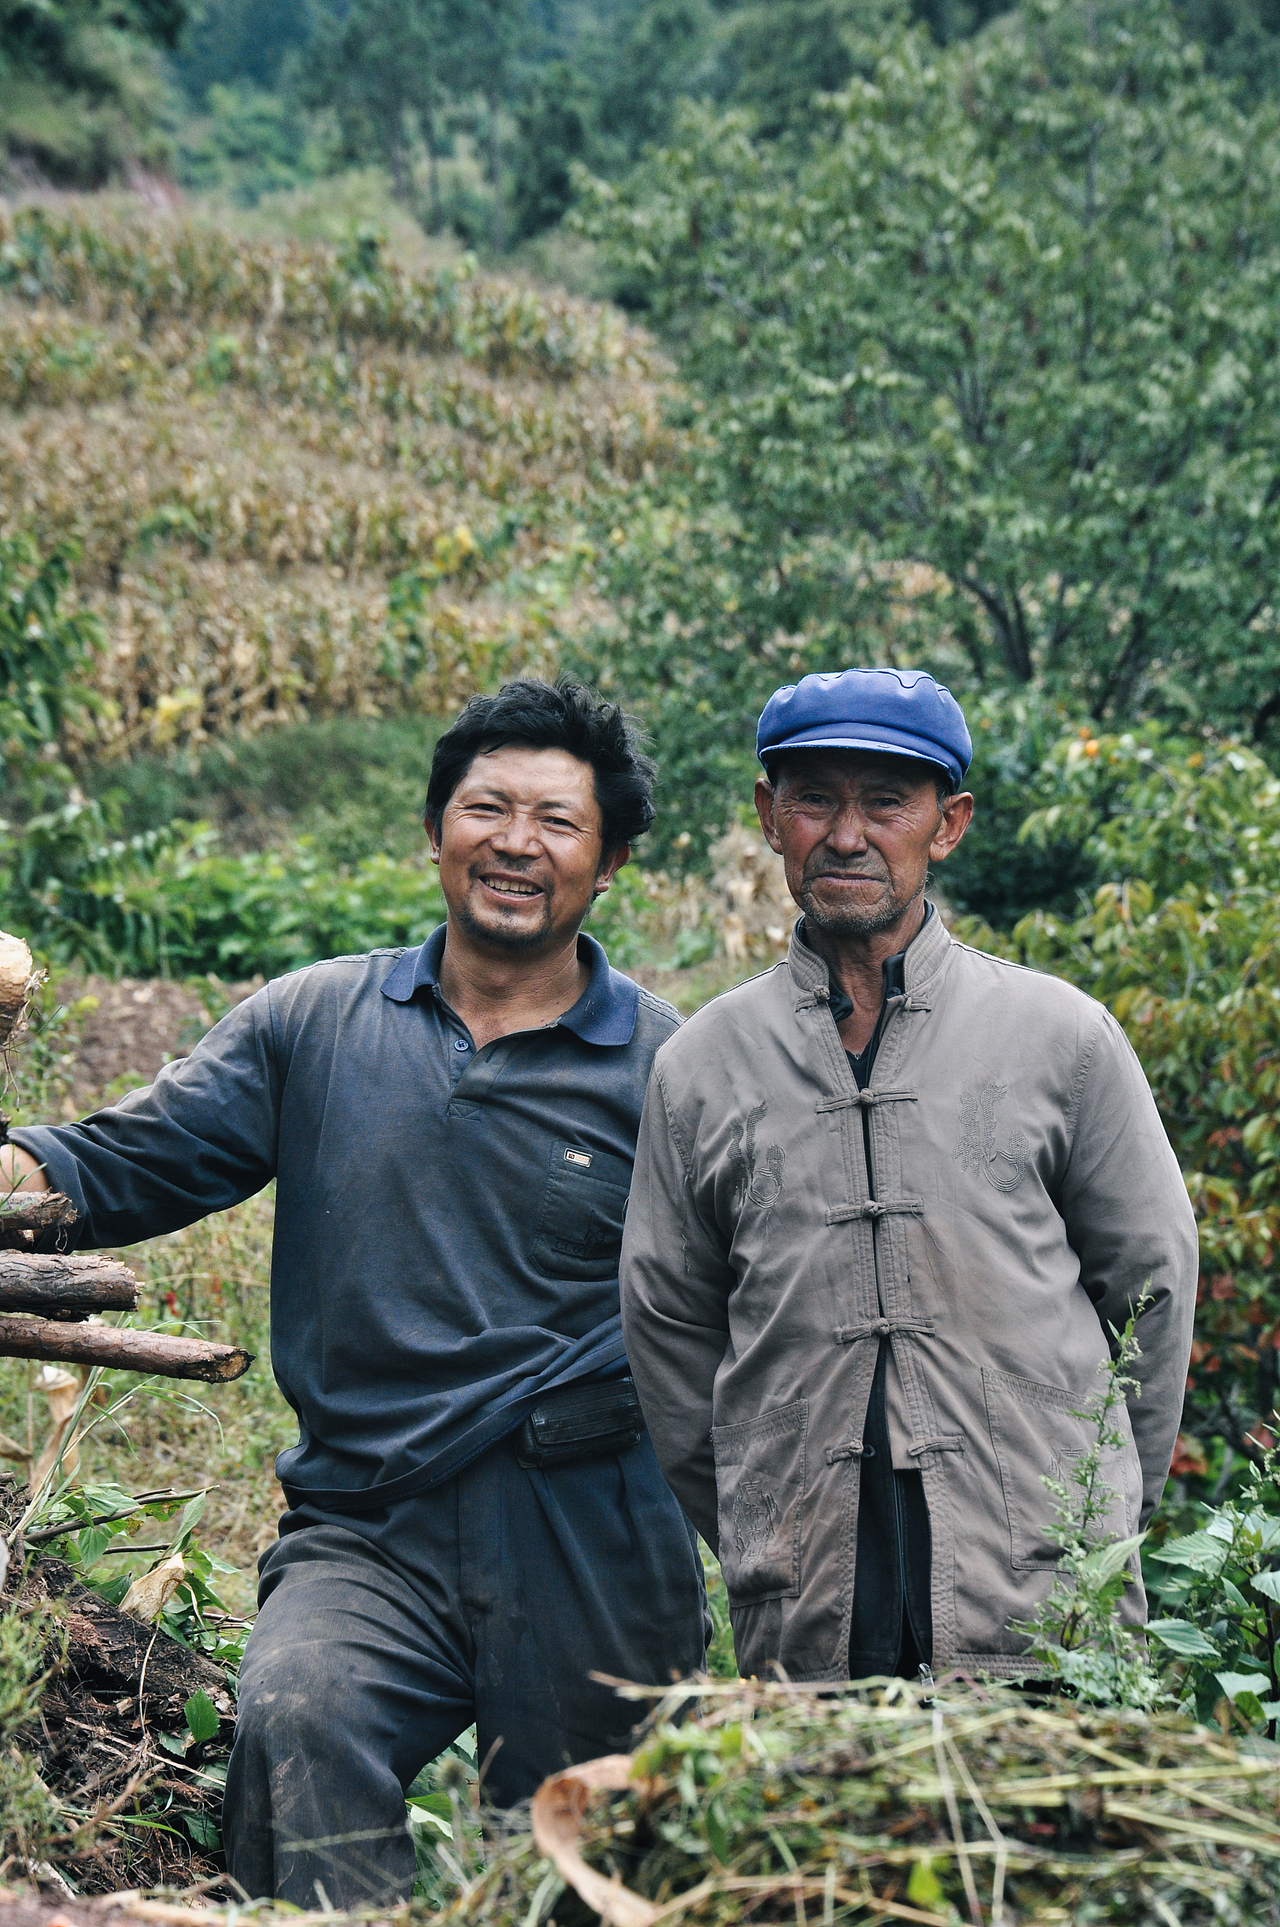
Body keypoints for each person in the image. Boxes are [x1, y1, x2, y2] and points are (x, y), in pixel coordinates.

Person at [2, 679, 706, 1907]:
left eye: (555, 821)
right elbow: (113, 1163)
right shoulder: (316, 1023)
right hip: (370, 1515)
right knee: (298, 1719)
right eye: (485, 808)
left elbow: (760, 1304)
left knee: (590, 1869)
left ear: (608, 865)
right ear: (433, 831)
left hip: (594, 1524)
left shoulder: (674, 1068)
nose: (514, 842)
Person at [619, 667, 1197, 1686]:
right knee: (832, 1793)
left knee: (1053, 1790)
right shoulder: (701, 1066)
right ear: (769, 816)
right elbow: (668, 1324)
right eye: (813, 799)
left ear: (947, 824)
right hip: (808, 1579)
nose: (847, 835)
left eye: (885, 802)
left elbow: (1150, 1282)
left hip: (1038, 1574)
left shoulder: (1059, 1036)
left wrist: (1099, 1510)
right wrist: (756, 1520)